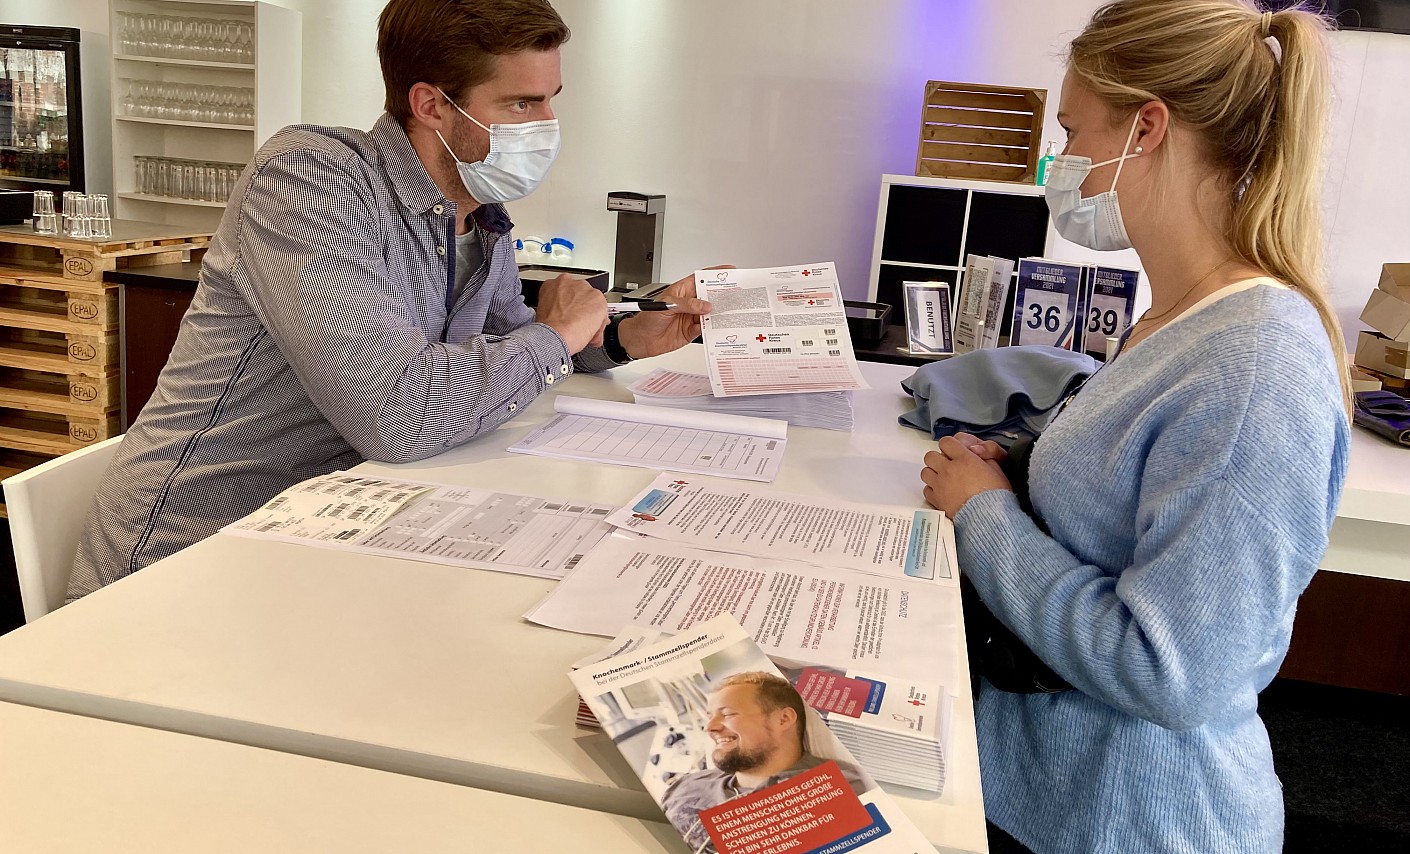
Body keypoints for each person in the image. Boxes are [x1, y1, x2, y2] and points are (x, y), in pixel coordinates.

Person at [68, 0, 713, 601]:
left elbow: (521, 356)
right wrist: (558, 334)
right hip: (188, 549)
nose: (545, 127)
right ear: (431, 105)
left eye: (550, 102)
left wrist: (627, 337)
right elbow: (396, 417)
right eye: (520, 104)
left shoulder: (478, 217)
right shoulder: (309, 181)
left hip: (335, 525)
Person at [919, 2, 1351, 852]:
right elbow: (1120, 493)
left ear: (1146, 127)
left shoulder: (1256, 366)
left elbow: (1174, 671)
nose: (1061, 160)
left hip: (1133, 820)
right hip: (1045, 792)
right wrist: (1013, 460)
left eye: (1073, 130)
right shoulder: (1179, 317)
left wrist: (986, 516)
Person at [660, 672, 871, 853]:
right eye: (709, 717)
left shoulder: (833, 788)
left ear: (783, 719)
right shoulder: (684, 788)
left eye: (727, 714)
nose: (710, 728)